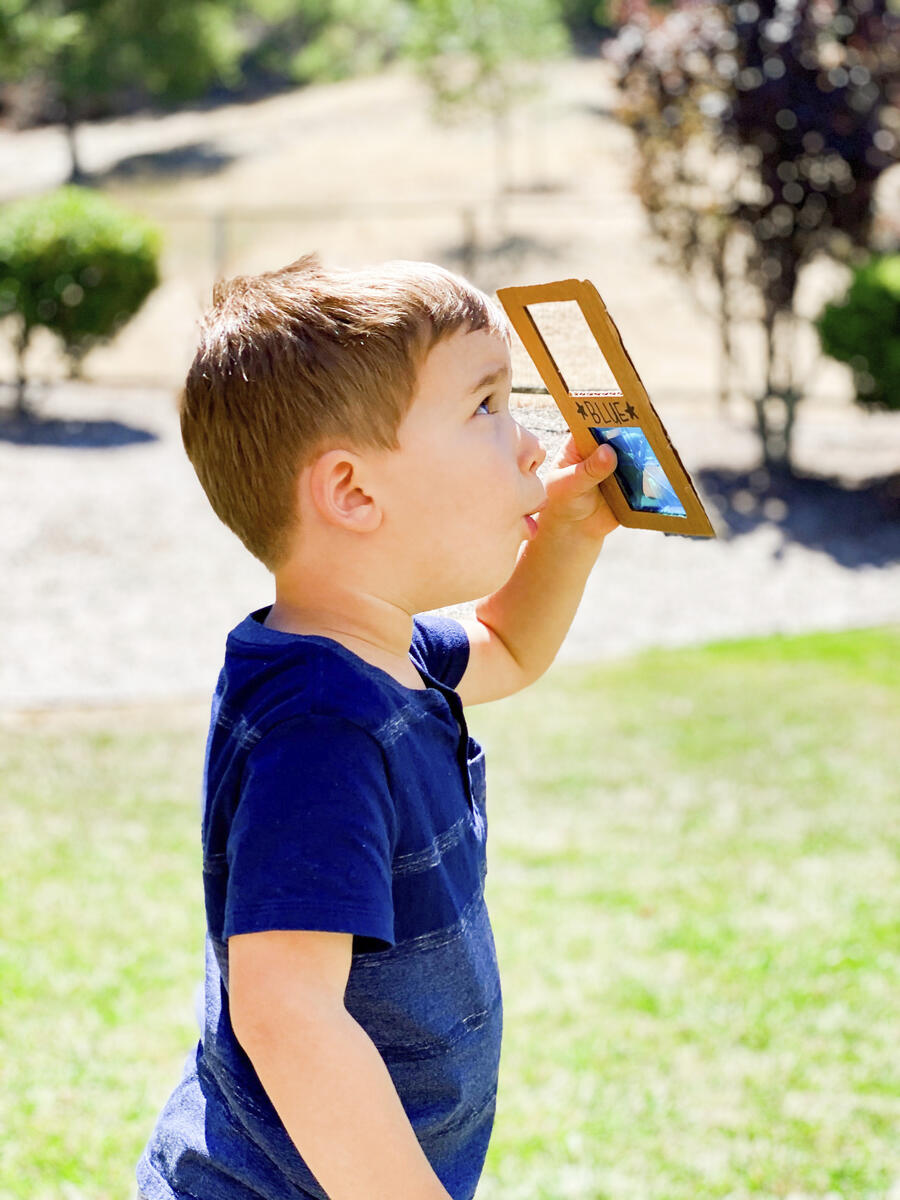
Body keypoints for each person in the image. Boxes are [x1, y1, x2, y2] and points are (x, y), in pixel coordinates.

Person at [137, 255, 619, 1200]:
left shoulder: (378, 653)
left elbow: (507, 648)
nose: (531, 445)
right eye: (487, 406)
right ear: (354, 493)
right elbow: (287, 1010)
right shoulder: (322, 728)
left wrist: (568, 531)